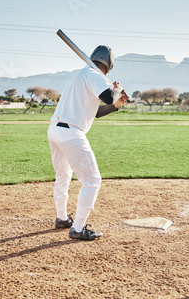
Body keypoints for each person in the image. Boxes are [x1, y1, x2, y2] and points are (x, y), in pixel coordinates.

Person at [47, 45, 129, 241]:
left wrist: (116, 105)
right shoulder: (95, 75)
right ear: (109, 65)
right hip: (71, 133)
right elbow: (108, 96)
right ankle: (77, 228)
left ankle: (62, 218)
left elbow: (96, 111)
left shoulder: (79, 75)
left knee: (63, 176)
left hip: (55, 129)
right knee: (92, 181)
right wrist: (116, 91)